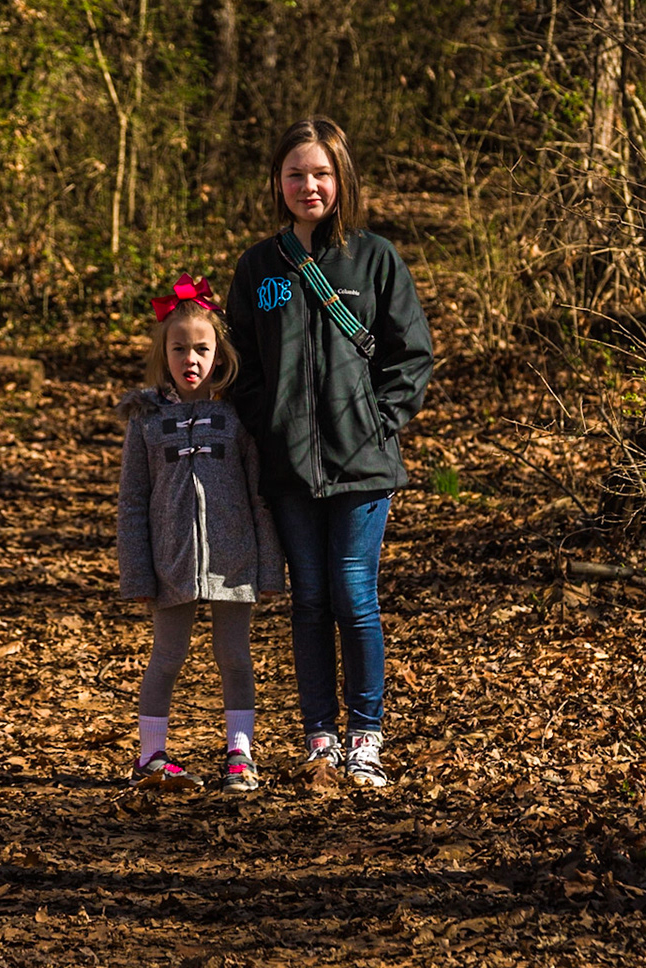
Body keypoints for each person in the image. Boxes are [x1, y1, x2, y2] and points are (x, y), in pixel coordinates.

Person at [225, 117, 434, 788]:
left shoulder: (375, 259)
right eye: (295, 174)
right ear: (277, 183)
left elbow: (411, 354)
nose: (308, 185)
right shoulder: (259, 267)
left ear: (342, 179)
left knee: (353, 593)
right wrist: (269, 423)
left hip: (361, 463)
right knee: (309, 598)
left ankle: (365, 737)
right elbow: (241, 364)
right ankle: (320, 738)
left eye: (320, 173)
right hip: (289, 468)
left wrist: (379, 422)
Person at [116, 274, 286, 792]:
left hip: (232, 559)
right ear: (163, 354)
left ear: (220, 354)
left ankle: (240, 753)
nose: (191, 358)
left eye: (201, 348)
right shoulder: (145, 421)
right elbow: (131, 504)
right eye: (179, 348)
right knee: (166, 657)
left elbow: (260, 493)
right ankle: (151, 756)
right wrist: (137, 571)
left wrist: (268, 564)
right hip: (170, 560)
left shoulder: (236, 417)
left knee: (235, 656)